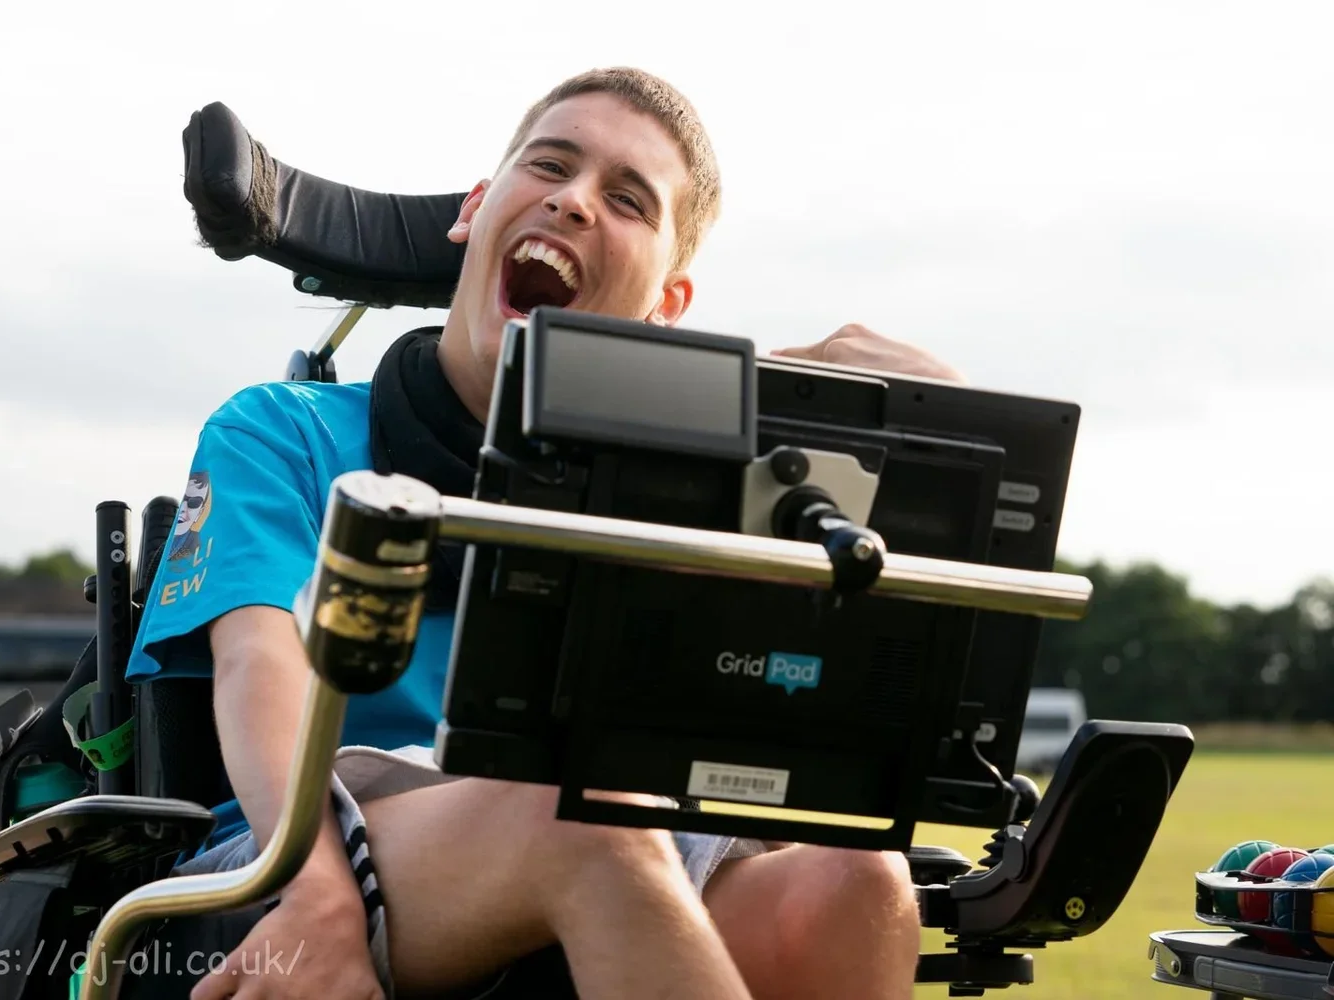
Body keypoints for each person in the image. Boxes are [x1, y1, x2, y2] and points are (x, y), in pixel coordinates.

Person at [125, 66, 964, 1000]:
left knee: (858, 878)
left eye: (627, 200)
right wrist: (318, 896)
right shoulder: (283, 430)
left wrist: (904, 418)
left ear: (667, 310)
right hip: (288, 856)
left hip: (608, 826)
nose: (572, 202)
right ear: (474, 212)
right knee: (581, 810)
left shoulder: (687, 491)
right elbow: (258, 672)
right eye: (550, 165)